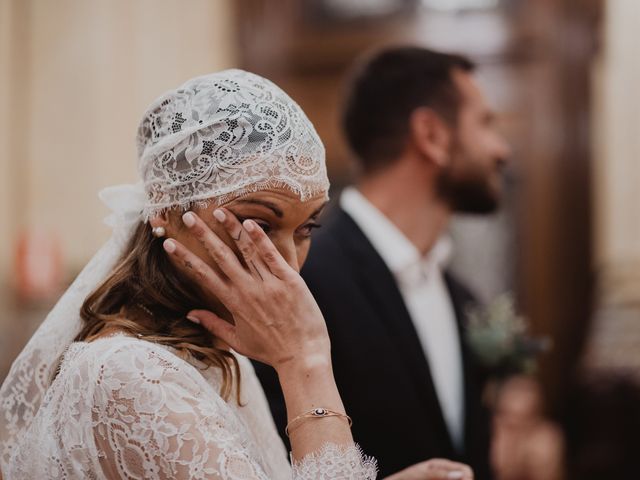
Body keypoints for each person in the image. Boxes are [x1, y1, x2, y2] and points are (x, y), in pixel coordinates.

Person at [0, 69, 473, 480]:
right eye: (258, 225)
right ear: (166, 210)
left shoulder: (213, 349)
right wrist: (305, 361)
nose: (287, 263)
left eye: (306, 229)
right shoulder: (130, 373)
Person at [253, 46, 511, 479]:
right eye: (485, 123)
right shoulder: (302, 281)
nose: (501, 149)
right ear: (431, 135)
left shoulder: (461, 297)